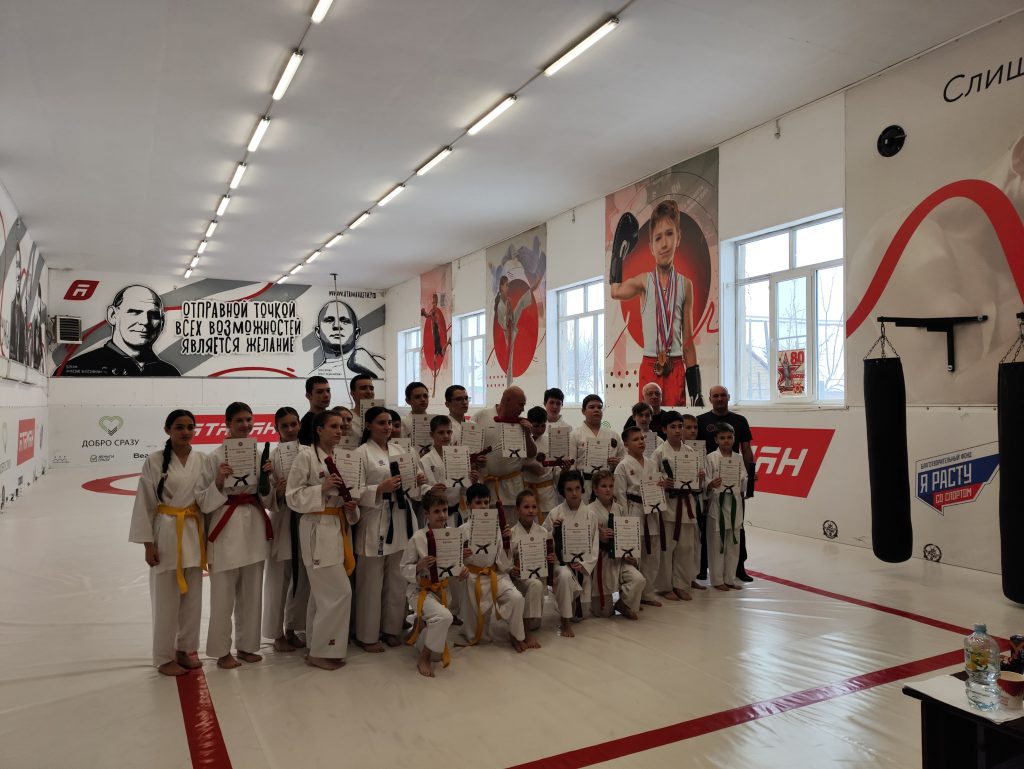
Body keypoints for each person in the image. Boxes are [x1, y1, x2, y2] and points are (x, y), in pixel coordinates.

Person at [195, 402, 272, 669]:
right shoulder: (213, 458)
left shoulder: (260, 455)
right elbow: (202, 501)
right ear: (227, 423)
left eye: (249, 419)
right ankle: (221, 651)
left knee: (252, 593)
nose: (245, 425)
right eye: (239, 420)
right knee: (223, 596)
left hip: (254, 527)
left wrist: (267, 479)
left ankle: (247, 646)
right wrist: (219, 481)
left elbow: (269, 499)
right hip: (225, 529)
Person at [129, 409, 205, 676]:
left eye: (190, 427)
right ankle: (163, 656)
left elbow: (208, 498)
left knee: (193, 599)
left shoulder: (202, 460)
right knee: (165, 599)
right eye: (179, 427)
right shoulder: (154, 460)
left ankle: (185, 649)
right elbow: (145, 503)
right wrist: (148, 544)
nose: (186, 432)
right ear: (167, 430)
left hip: (193, 532)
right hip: (167, 533)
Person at [285, 410, 360, 670]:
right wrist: (322, 488)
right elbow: (292, 496)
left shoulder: (341, 458)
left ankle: (315, 646)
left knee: (320, 596)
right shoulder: (306, 457)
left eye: (341, 426)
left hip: (336, 526)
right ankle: (321, 651)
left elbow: (348, 496)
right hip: (316, 528)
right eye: (333, 426)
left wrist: (351, 507)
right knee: (340, 592)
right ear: (319, 429)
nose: (340, 431)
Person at [609, 201, 703, 406]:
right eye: (658, 238)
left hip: (676, 366)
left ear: (678, 237)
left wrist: (697, 393)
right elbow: (615, 292)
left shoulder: (685, 285)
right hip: (650, 365)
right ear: (651, 246)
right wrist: (617, 255)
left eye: (669, 234)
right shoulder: (644, 282)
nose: (664, 244)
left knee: (674, 422)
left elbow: (687, 342)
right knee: (647, 421)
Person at [353, 406, 421, 652]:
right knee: (371, 583)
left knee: (397, 579)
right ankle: (367, 635)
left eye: (390, 423)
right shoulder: (360, 454)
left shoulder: (401, 451)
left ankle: (391, 629)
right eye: (381, 423)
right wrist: (379, 489)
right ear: (368, 425)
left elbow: (414, 490)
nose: (387, 427)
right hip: (375, 520)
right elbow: (353, 491)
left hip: (401, 519)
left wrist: (417, 482)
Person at [459, 483, 534, 651]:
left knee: (516, 598)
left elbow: (504, 563)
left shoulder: (497, 527)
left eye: (486, 502)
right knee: (478, 636)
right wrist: (460, 556)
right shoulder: (462, 531)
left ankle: (516, 636)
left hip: (495, 574)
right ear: (468, 504)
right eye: (478, 502)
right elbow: (453, 563)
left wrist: (507, 543)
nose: (483, 506)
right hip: (473, 577)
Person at [260, 407, 310, 652]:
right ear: (276, 428)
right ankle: (276, 633)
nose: (290, 429)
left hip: (307, 519)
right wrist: (277, 491)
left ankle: (293, 627)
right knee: (279, 579)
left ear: (300, 425)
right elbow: (265, 496)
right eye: (284, 426)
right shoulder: (270, 459)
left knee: (303, 578)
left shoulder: (309, 452)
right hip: (282, 518)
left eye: (293, 424)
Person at [417, 414, 475, 624]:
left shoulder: (458, 456)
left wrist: (471, 480)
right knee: (435, 562)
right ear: (432, 434)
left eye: (449, 432)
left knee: (455, 561)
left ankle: (455, 610)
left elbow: (465, 489)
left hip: (455, 514)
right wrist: (431, 489)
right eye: (441, 432)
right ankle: (434, 609)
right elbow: (420, 488)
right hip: (435, 517)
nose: (446, 436)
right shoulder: (425, 460)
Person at [402, 489, 464, 677]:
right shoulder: (418, 538)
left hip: (442, 591)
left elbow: (456, 565)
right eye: (436, 511)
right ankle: (424, 657)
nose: (442, 515)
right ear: (426, 514)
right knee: (445, 618)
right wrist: (418, 566)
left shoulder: (452, 535)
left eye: (445, 510)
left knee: (440, 636)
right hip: (420, 591)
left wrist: (463, 570)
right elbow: (403, 568)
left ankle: (423, 628)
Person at [696, 385, 755, 582]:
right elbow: (695, 448)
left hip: (734, 480)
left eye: (723, 395)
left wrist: (749, 479)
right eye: (716, 396)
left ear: (728, 397)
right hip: (712, 481)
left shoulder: (740, 420)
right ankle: (703, 567)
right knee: (709, 527)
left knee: (737, 525)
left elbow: (746, 449)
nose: (720, 399)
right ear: (710, 399)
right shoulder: (701, 420)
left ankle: (738, 568)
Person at [61, 285, 180, 376]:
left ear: (162, 321)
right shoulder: (78, 367)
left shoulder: (170, 373)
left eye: (154, 315)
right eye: (134, 312)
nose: (145, 321)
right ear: (112, 315)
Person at [509, 489, 579, 637]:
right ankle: (525, 630)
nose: (531, 510)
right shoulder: (511, 534)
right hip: (521, 581)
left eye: (534, 507)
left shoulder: (543, 532)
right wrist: (511, 568)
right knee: (533, 624)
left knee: (565, 574)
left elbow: (553, 559)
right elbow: (505, 563)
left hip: (540, 578)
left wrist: (553, 559)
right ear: (517, 509)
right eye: (526, 507)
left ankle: (566, 621)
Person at [653, 411, 705, 601]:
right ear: (664, 429)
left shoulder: (690, 452)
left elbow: (697, 486)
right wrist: (662, 482)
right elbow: (651, 480)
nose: (677, 430)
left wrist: (700, 479)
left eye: (680, 426)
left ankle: (681, 584)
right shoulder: (659, 453)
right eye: (673, 427)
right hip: (668, 505)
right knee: (667, 548)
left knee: (686, 547)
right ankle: (665, 586)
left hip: (687, 505)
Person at [614, 426, 669, 607]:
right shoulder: (623, 465)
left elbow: (656, 486)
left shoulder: (651, 463)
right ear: (626, 444)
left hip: (652, 510)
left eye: (642, 439)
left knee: (652, 554)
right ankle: (631, 596)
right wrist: (624, 522)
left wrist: (662, 487)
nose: (641, 442)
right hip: (633, 510)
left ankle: (648, 593)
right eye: (635, 439)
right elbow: (620, 496)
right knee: (633, 554)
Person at [473, 386, 537, 523]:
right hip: (487, 486)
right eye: (520, 404)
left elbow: (532, 454)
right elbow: (470, 447)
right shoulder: (481, 416)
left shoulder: (521, 423)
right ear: (508, 400)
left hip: (513, 488)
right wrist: (476, 459)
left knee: (512, 529)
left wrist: (527, 433)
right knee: (489, 528)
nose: (523, 409)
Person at [589, 469, 644, 620]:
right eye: (603, 486)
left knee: (638, 579)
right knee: (604, 613)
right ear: (595, 490)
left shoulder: (620, 508)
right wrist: (598, 536)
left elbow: (628, 536)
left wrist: (631, 555)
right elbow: (584, 542)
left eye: (610, 486)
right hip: (601, 560)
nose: (608, 489)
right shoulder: (589, 511)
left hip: (619, 559)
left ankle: (623, 603)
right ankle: (603, 604)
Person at [546, 471, 600, 622]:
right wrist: (554, 531)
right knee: (564, 577)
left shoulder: (591, 515)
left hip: (582, 567)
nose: (574, 493)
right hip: (562, 565)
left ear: (582, 488)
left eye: (577, 488)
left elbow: (595, 544)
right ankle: (565, 618)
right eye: (569, 489)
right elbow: (545, 541)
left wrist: (584, 564)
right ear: (563, 491)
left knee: (583, 613)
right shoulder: (555, 513)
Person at [703, 423, 748, 591]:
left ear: (734, 438)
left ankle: (730, 578)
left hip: (735, 504)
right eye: (722, 438)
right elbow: (705, 481)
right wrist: (710, 484)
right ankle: (717, 580)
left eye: (729, 437)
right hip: (718, 505)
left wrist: (751, 480)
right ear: (716, 439)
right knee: (717, 545)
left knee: (733, 544)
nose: (726, 440)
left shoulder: (739, 458)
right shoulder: (710, 458)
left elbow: (743, 482)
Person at [311, 299, 384, 379]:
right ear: (318, 332)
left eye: (345, 321)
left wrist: (375, 369)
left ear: (357, 333)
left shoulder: (380, 363)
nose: (337, 326)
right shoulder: (313, 376)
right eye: (329, 320)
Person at [571, 394, 624, 498]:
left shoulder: (613, 435)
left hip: (607, 484)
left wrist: (619, 462)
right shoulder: (575, 435)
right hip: (584, 483)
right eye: (592, 407)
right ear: (583, 411)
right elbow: (572, 466)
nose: (596, 410)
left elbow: (624, 460)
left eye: (599, 407)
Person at [521, 406, 560, 522]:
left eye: (543, 426)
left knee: (549, 525)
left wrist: (564, 470)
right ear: (529, 423)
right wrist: (527, 466)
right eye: (536, 426)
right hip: (527, 489)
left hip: (547, 492)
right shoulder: (521, 440)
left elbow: (556, 470)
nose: (540, 429)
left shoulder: (551, 441)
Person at [401, 381, 434, 455]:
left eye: (425, 396)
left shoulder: (434, 421)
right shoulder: (403, 422)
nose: (423, 399)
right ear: (408, 401)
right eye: (417, 397)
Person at [299, 376, 331, 446]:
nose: (326, 395)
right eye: (320, 392)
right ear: (308, 396)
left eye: (328, 391)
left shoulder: (332, 418)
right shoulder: (306, 424)